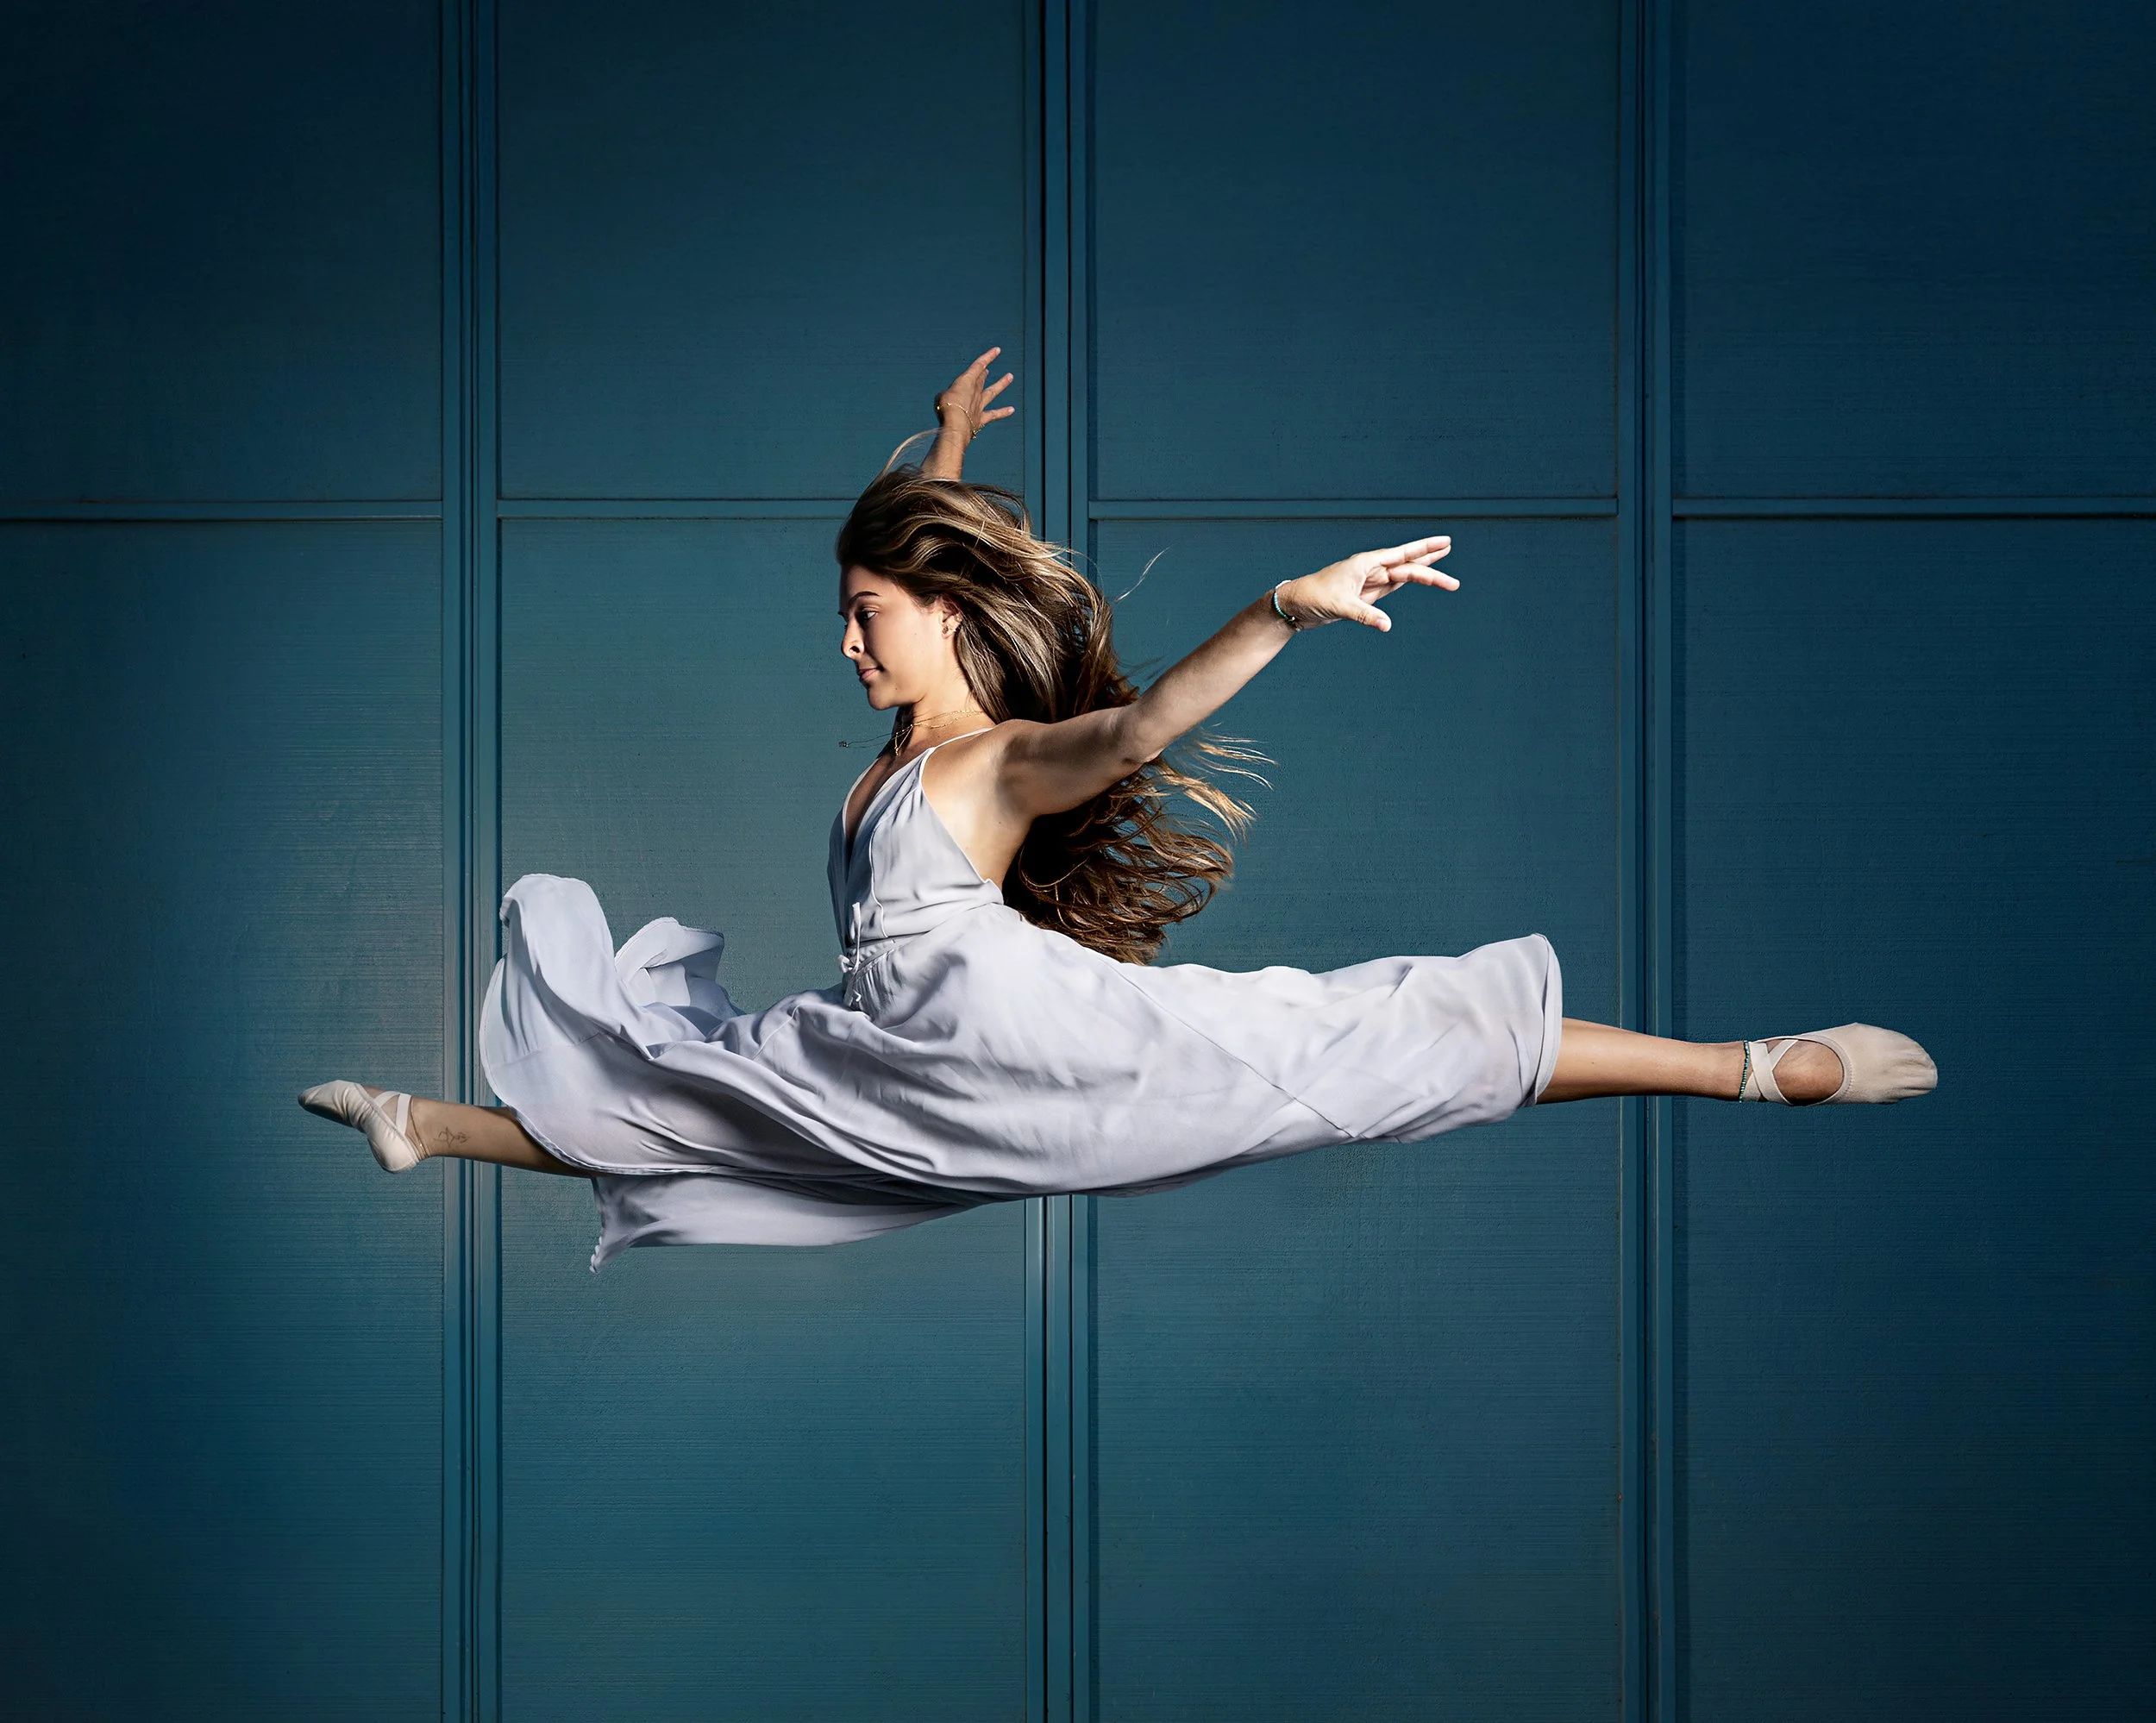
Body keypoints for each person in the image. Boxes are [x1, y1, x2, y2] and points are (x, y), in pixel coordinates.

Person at [301, 346, 1936, 1271]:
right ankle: (420, 1121)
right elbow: (913, 562)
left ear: (941, 612)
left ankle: (1749, 1070)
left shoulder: (997, 761)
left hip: (1036, 1047)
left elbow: (1147, 723)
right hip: (894, 1055)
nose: (847, 637)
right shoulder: (893, 746)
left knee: (1366, 1037)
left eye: (870, 608)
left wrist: (1285, 611)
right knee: (679, 1097)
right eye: (851, 607)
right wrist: (940, 449)